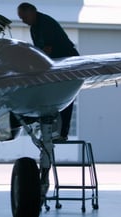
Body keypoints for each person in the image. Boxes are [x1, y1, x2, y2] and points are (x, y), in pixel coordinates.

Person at [18, 2, 79, 140]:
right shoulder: (34, 27)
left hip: (68, 63)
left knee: (64, 99)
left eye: (24, 17)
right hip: (55, 64)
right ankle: (52, 130)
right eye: (21, 18)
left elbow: (46, 51)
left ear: (32, 12)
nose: (23, 21)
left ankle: (63, 133)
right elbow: (40, 52)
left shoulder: (45, 23)